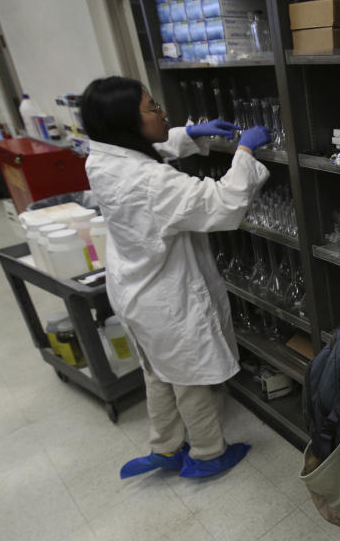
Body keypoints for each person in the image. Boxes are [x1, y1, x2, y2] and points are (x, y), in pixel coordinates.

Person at [80, 76, 271, 479]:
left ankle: (164, 447)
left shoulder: (100, 158)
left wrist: (187, 134)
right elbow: (224, 202)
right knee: (188, 377)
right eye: (152, 108)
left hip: (131, 288)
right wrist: (244, 151)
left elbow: (142, 154)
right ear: (126, 123)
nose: (163, 112)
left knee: (157, 370)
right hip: (164, 295)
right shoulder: (151, 182)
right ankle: (207, 453)